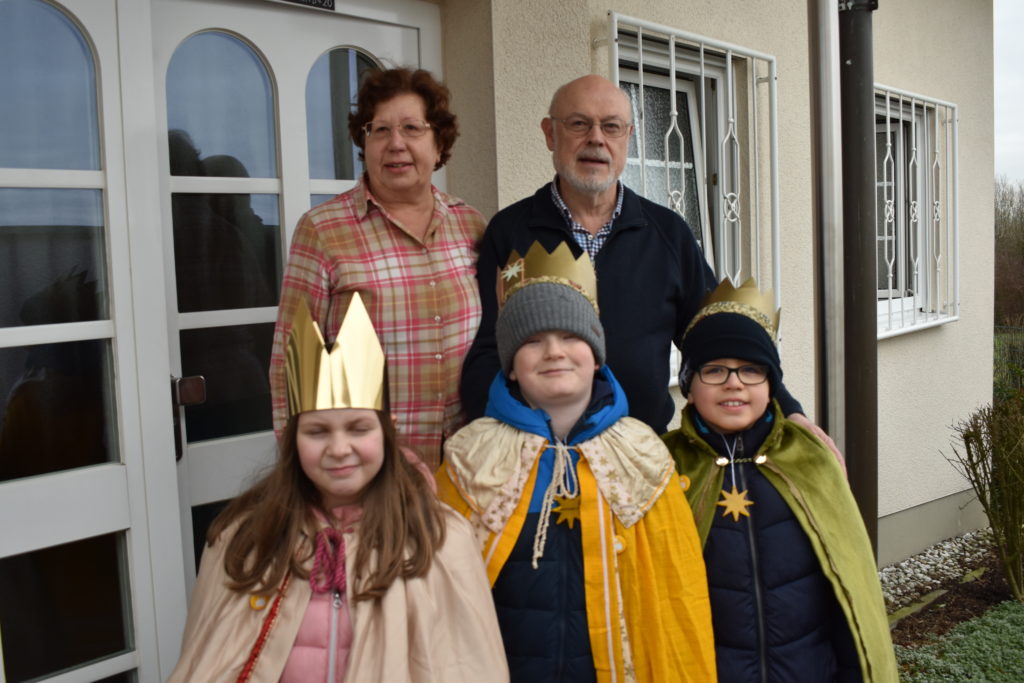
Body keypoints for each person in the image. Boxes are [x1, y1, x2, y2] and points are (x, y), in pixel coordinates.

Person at [459, 74, 837, 455]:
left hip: (642, 453)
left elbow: (715, 334)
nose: (596, 138)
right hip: (537, 455)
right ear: (549, 134)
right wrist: (493, 438)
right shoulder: (510, 232)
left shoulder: (668, 233)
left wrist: (787, 409)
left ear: (628, 136)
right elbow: (488, 348)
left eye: (611, 126)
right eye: (578, 124)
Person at [171, 294, 508, 681]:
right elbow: (209, 659)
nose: (339, 449)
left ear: (387, 429)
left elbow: (466, 664)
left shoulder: (439, 539)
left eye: (358, 429)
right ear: (293, 439)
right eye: (317, 432)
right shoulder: (246, 538)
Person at [437, 243, 716, 682]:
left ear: (596, 354)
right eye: (532, 341)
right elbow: (439, 602)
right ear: (511, 366)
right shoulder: (472, 461)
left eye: (571, 336)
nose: (554, 352)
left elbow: (676, 599)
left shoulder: (641, 456)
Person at [661, 278, 898, 682]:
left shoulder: (808, 460)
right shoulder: (665, 467)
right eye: (714, 369)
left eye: (751, 370)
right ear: (689, 385)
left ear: (771, 384)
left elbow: (850, 591)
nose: (734, 382)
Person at [270, 67, 484, 470]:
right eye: (380, 130)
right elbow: (290, 361)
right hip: (373, 471)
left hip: (468, 463)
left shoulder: (470, 223)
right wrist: (303, 469)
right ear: (364, 143)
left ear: (439, 144)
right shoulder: (323, 230)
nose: (395, 144)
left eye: (411, 128)